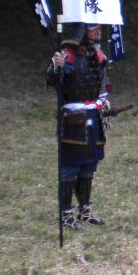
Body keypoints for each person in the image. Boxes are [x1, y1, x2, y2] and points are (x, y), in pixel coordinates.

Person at [47, 23, 110, 230]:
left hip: (93, 116)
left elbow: (103, 86)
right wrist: (57, 67)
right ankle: (66, 214)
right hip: (73, 119)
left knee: (88, 167)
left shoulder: (98, 57)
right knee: (70, 169)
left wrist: (103, 103)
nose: (99, 33)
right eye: (94, 29)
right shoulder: (65, 55)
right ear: (83, 31)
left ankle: (85, 210)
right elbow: (53, 82)